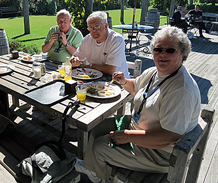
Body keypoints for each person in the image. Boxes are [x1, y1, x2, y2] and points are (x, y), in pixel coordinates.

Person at [75, 26, 201, 183]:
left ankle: (98, 175)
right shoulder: (154, 72)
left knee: (100, 147)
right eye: (158, 49)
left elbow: (169, 137)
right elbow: (135, 87)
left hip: (157, 152)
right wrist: (123, 81)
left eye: (170, 50)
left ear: (182, 54)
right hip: (136, 126)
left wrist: (129, 136)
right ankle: (94, 168)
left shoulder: (181, 90)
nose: (162, 54)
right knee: (97, 127)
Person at [70, 11, 129, 78]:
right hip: (94, 78)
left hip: (117, 81)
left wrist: (90, 66)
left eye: (97, 27)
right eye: (91, 28)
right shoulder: (87, 39)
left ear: (106, 26)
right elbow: (76, 56)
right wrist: (74, 60)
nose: (94, 31)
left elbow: (110, 70)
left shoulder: (116, 40)